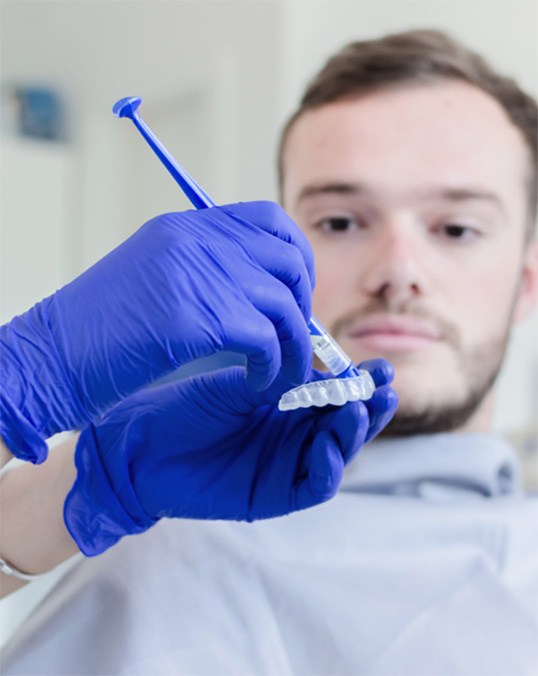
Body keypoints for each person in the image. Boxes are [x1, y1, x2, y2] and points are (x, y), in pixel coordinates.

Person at [2, 27, 538, 674]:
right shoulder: (173, 542)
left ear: (526, 283)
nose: (397, 270)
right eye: (340, 221)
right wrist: (47, 416)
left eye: (456, 228)